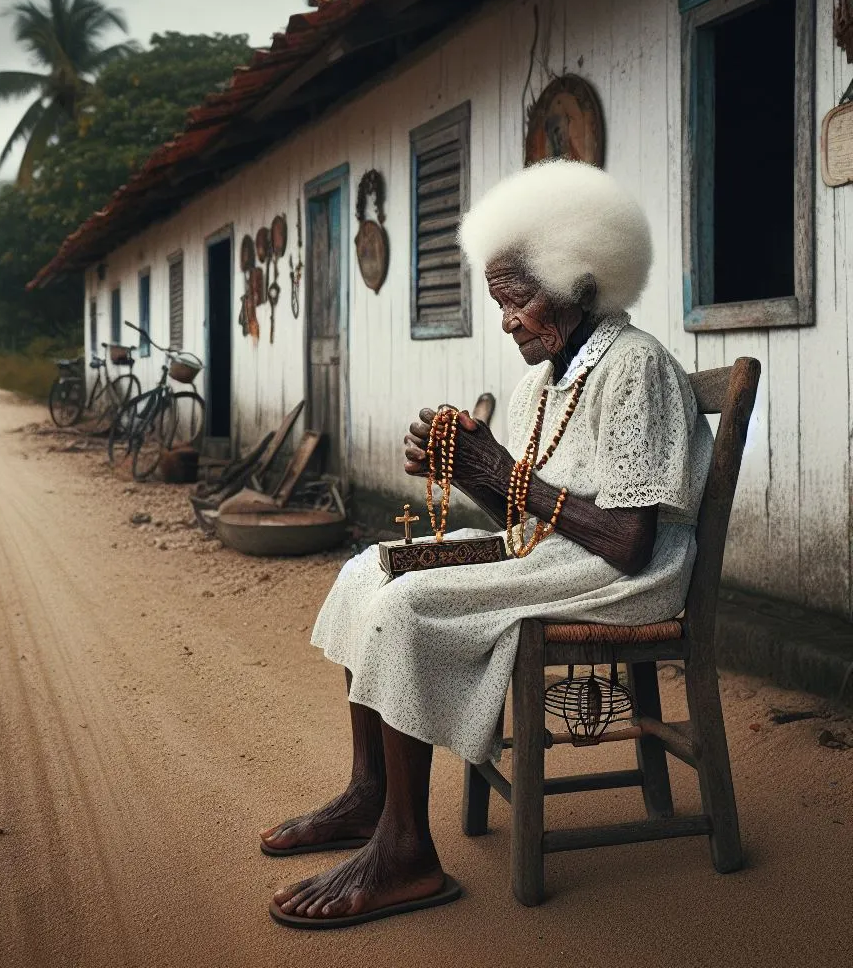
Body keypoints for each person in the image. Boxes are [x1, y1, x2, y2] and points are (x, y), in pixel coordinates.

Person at [261, 160, 713, 928]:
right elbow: (526, 510)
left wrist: (498, 469)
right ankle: (372, 795)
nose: (507, 320)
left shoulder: (633, 366)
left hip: (620, 576)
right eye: (500, 301)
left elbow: (628, 540)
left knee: (405, 608)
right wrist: (463, 466)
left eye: (519, 300)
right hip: (559, 553)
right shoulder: (547, 379)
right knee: (368, 571)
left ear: (583, 285)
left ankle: (406, 854)